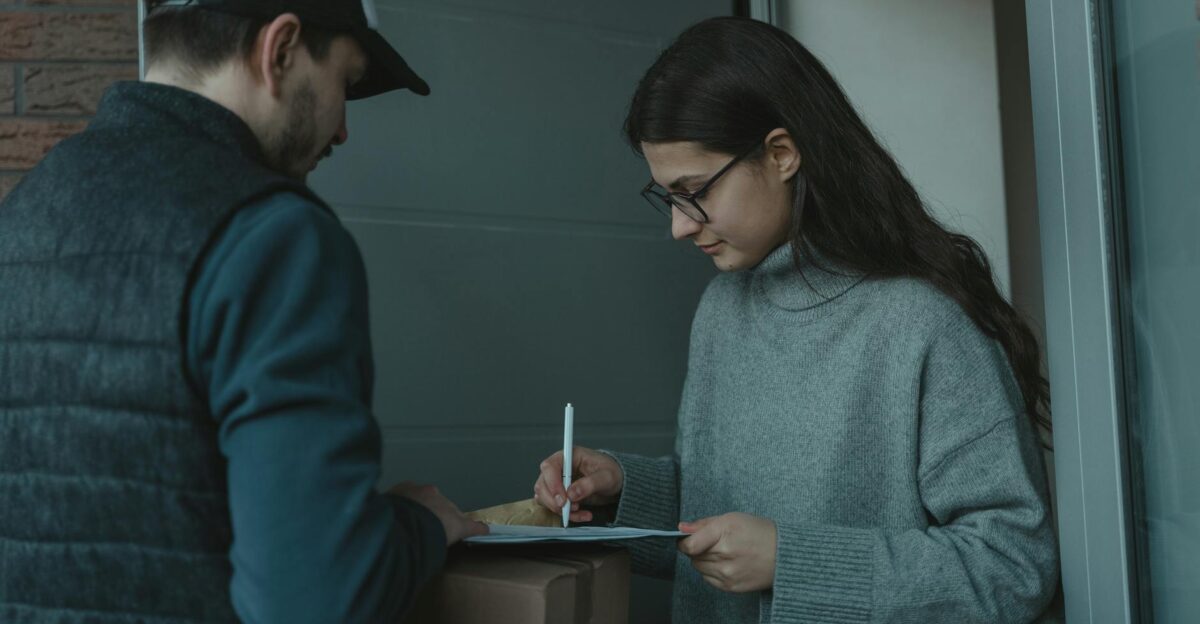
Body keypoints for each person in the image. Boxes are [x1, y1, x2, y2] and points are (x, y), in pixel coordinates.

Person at [534, 16, 1059, 623]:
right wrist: (625, 494)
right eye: (668, 197)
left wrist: (793, 562)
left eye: (695, 190)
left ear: (781, 154)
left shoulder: (925, 327)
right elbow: (729, 513)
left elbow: (1014, 565)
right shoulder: (722, 312)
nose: (679, 225)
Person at [0, 1, 486, 621]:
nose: (342, 131)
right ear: (279, 51)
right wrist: (419, 526)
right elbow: (313, 602)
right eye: (346, 79)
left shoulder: (22, 213)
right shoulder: (276, 237)